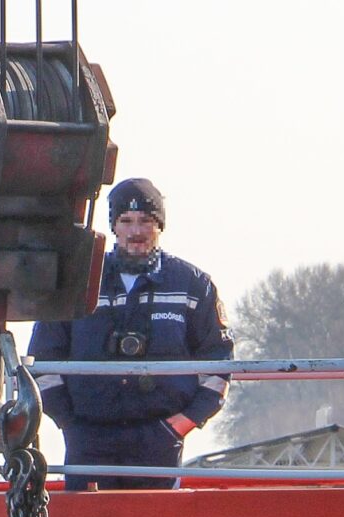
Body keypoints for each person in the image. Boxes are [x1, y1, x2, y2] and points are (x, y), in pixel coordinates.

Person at [26, 178, 233, 491]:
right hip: (88, 437)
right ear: (114, 226)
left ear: (160, 226)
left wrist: (179, 425)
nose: (136, 231)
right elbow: (43, 361)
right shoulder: (76, 283)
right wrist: (68, 422)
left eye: (146, 221)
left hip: (159, 439)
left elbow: (219, 364)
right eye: (126, 221)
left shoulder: (192, 285)